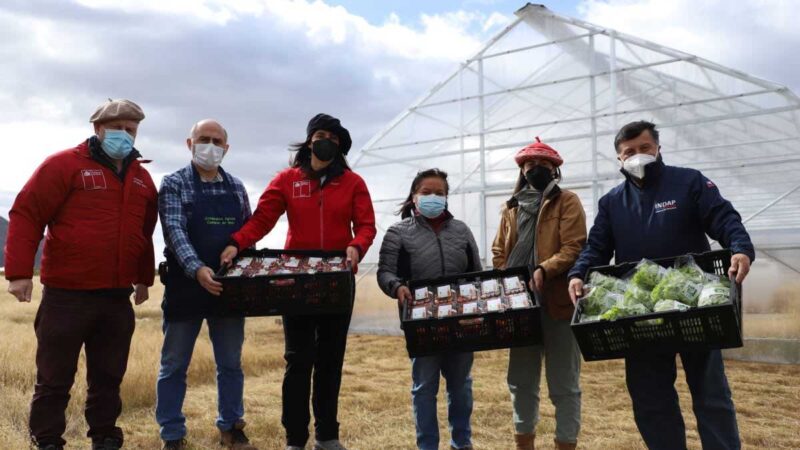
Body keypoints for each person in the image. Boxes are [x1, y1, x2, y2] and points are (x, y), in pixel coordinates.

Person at [568, 121, 754, 450]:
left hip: (695, 306)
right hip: (642, 312)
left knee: (711, 394)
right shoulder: (613, 202)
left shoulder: (688, 182)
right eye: (629, 152)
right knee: (651, 400)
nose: (638, 157)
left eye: (644, 148)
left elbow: (723, 217)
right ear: (619, 160)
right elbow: (596, 246)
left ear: (658, 148)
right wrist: (578, 273)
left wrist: (739, 248)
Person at [4, 99, 157, 450]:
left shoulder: (142, 179)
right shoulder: (63, 165)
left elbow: (144, 232)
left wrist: (144, 278)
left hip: (116, 298)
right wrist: (19, 272)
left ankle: (104, 437)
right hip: (66, 296)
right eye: (117, 128)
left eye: (131, 130)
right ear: (98, 130)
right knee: (54, 379)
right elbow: (27, 213)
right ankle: (47, 441)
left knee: (108, 378)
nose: (124, 135)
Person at [219, 113, 376, 450]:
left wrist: (356, 246)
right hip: (298, 282)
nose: (326, 142)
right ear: (308, 140)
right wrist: (236, 242)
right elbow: (263, 219)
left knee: (331, 360)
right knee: (298, 359)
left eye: (334, 139)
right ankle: (295, 439)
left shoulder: (353, 183)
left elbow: (366, 226)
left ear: (341, 147)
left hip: (336, 279)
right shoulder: (287, 180)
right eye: (321, 135)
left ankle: (327, 436)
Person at [155, 120, 257, 450]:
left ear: (226, 149)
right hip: (186, 286)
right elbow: (174, 230)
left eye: (217, 141)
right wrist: (197, 268)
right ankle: (172, 433)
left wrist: (240, 258)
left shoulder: (237, 188)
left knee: (230, 363)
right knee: (174, 365)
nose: (209, 146)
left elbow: (246, 234)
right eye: (203, 139)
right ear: (189, 143)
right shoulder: (174, 184)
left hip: (227, 289)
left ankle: (231, 426)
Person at [377, 168, 482, 450]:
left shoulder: (461, 230)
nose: (433, 197)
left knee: (461, 386)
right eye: (426, 192)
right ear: (414, 197)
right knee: (424, 388)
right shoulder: (398, 233)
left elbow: (476, 273)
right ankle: (427, 446)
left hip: (460, 320)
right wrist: (396, 287)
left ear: (447, 198)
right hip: (422, 323)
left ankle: (462, 442)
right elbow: (385, 272)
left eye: (439, 193)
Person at [491, 138, 586, 450]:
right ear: (522, 170)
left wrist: (545, 269)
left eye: (543, 166)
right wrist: (510, 281)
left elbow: (574, 246)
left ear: (555, 170)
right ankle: (524, 443)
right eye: (530, 166)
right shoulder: (511, 208)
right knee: (521, 382)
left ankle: (565, 443)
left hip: (557, 303)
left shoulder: (567, 201)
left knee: (564, 385)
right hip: (522, 308)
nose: (536, 170)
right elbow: (498, 250)